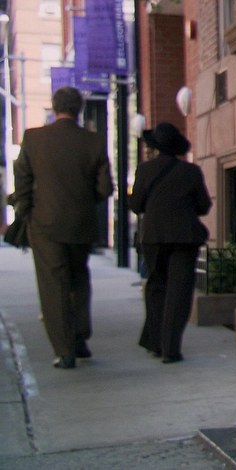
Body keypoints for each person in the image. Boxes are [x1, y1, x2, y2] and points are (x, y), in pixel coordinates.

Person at [13, 86, 114, 369]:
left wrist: (26, 209)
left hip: (45, 223)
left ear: (54, 107)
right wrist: (85, 201)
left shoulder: (34, 138)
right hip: (81, 223)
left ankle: (64, 349)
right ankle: (80, 337)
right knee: (79, 278)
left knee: (53, 284)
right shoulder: (94, 142)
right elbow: (105, 188)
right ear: (79, 110)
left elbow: (22, 178)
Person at [129, 122, 211, 364]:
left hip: (153, 237)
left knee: (156, 287)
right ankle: (170, 349)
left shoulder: (145, 170)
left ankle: (155, 342)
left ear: (156, 147)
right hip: (185, 237)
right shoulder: (191, 171)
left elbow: (135, 205)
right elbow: (204, 206)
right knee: (179, 292)